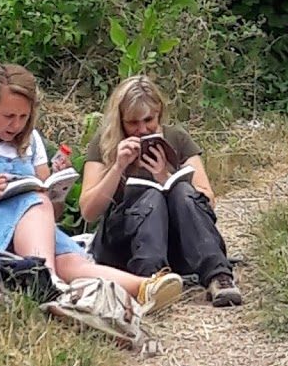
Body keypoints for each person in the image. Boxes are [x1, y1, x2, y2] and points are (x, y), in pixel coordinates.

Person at [0, 63, 182, 312]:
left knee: (69, 258)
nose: (16, 125)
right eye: (9, 116)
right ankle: (49, 280)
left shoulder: (30, 140)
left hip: (28, 233)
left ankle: (144, 288)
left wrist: (58, 188)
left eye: (24, 116)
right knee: (37, 207)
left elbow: (48, 215)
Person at [79, 75, 242, 307]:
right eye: (133, 123)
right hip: (123, 247)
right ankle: (149, 280)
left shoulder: (177, 138)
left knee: (184, 192)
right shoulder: (104, 144)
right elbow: (88, 211)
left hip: (176, 244)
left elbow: (207, 198)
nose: (142, 129)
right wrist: (118, 167)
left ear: (159, 113)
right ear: (120, 121)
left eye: (149, 120)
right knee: (150, 197)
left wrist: (165, 176)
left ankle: (218, 276)